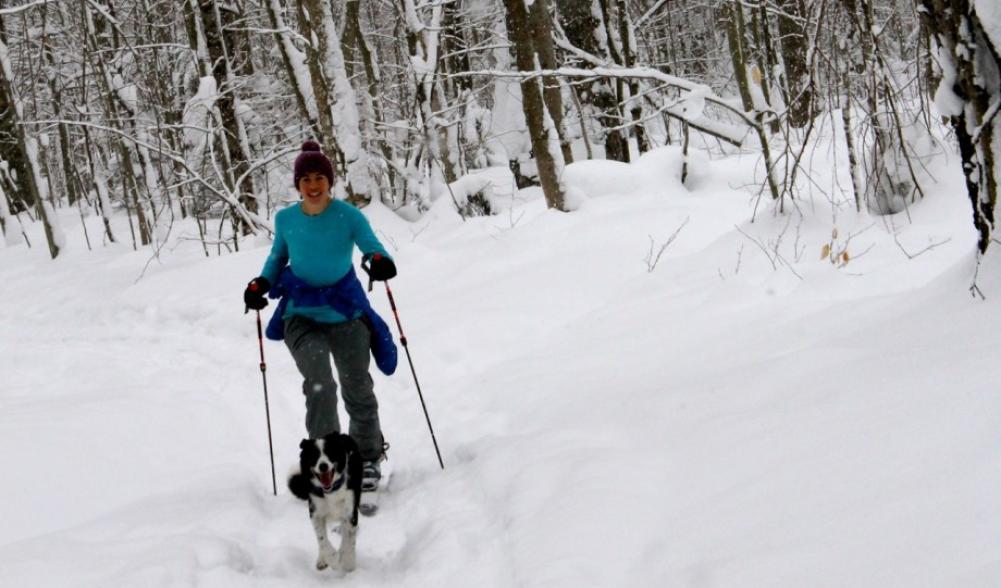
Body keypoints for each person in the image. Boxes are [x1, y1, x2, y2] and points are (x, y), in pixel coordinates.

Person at [243, 140, 398, 492]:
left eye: (319, 178)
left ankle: (368, 458)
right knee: (320, 385)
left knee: (357, 386)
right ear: (297, 184)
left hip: (345, 312)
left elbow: (371, 246)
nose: (313, 185)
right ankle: (326, 463)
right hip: (301, 316)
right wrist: (261, 283)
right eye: (306, 179)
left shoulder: (348, 216)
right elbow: (277, 258)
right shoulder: (286, 219)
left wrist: (378, 261)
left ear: (330, 181)